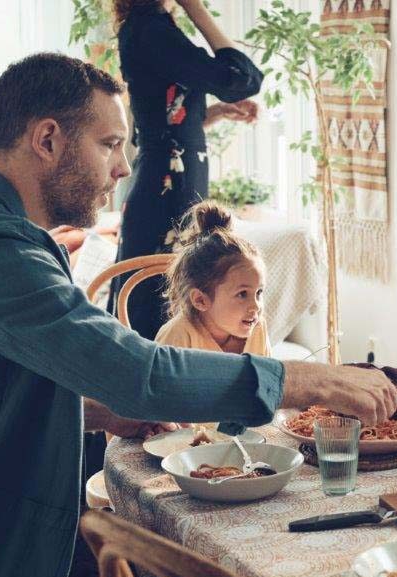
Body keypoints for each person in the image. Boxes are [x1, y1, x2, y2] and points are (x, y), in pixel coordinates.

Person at [0, 53, 395, 577]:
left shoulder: (19, 239)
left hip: (41, 545)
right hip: (1, 576)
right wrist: (307, 379)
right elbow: (138, 370)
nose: (123, 167)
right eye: (111, 144)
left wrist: (94, 411)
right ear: (46, 139)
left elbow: (4, 391)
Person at [114, 0, 263, 340]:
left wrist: (218, 113)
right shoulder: (152, 29)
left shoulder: (150, 28)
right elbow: (242, 77)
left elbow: (161, 122)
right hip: (168, 185)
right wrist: (195, 7)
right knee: (158, 301)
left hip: (167, 177)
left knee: (164, 297)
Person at [156, 200, 270, 356]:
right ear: (201, 300)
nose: (256, 307)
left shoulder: (257, 328)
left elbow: (266, 378)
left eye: (259, 293)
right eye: (242, 294)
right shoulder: (178, 335)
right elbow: (159, 380)